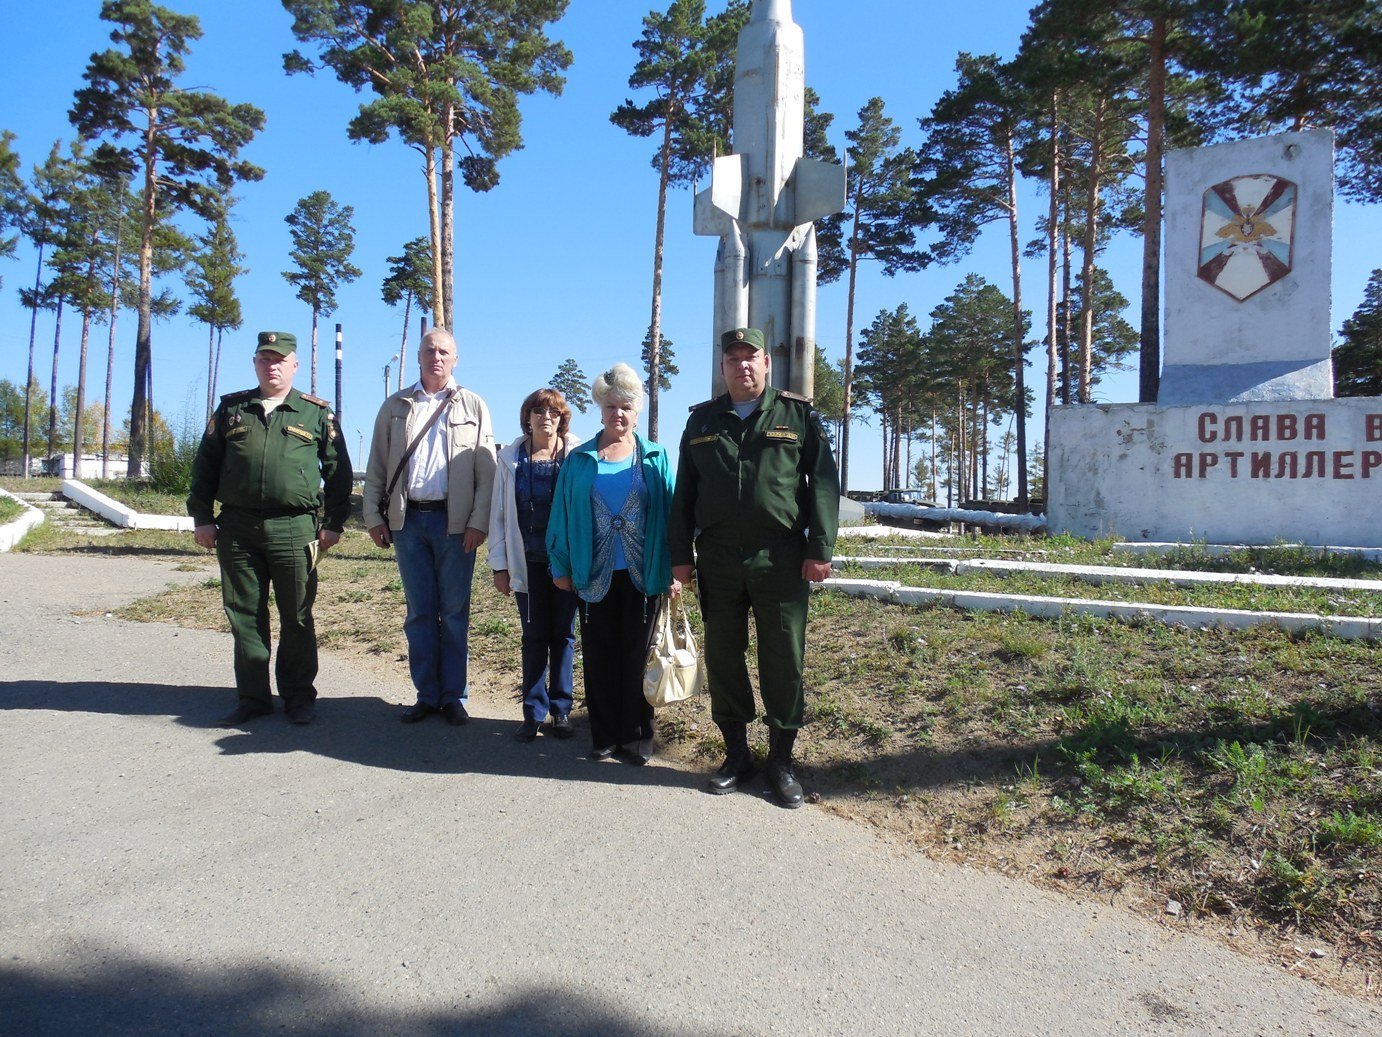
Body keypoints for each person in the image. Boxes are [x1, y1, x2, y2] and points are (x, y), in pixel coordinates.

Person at [668, 327, 840, 807]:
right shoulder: (702, 421)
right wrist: (680, 556)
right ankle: (737, 755)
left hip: (780, 555)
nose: (742, 365)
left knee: (783, 658)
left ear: (767, 363)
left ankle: (781, 761)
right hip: (719, 557)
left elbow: (824, 483)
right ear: (722, 367)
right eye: (733, 358)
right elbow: (685, 494)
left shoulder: (796, 415)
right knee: (724, 656)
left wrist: (819, 548)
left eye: (751, 357)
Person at [188, 330, 352, 727]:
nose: (272, 365)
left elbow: (339, 473)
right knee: (244, 613)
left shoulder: (315, 413)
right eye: (265, 359)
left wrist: (332, 524)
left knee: (296, 615)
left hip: (294, 528)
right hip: (238, 527)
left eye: (280, 359)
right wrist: (202, 518)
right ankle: (253, 697)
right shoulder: (232, 409)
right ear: (255, 364)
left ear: (294, 365)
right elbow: (204, 467)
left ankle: (298, 697)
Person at [362, 328, 496, 726]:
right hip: (407, 523)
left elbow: (486, 475)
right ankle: (426, 694)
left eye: (443, 352)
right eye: (429, 351)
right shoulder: (395, 406)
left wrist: (478, 523)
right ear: (418, 357)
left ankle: (453, 696)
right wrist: (373, 516)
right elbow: (377, 467)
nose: (436, 357)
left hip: (455, 526)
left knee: (454, 613)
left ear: (455, 359)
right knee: (419, 612)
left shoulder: (473, 405)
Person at [546, 363, 678, 764]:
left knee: (638, 658)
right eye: (610, 406)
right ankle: (603, 737)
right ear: (599, 410)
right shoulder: (580, 460)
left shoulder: (655, 457)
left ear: (637, 412)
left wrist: (675, 567)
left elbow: (672, 515)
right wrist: (561, 565)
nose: (617, 414)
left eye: (625, 407)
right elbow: (561, 516)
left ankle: (637, 738)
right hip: (593, 574)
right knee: (601, 657)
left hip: (644, 575)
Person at [489, 388, 581, 742]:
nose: (547, 417)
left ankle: (561, 710)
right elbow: (498, 514)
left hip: (564, 565)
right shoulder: (510, 459)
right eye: (539, 411)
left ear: (563, 419)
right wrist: (500, 565)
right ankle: (532, 711)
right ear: (527, 418)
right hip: (525, 562)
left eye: (554, 412)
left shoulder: (575, 456)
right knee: (533, 637)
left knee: (563, 635)